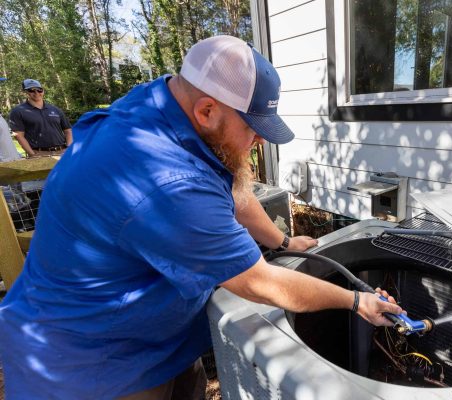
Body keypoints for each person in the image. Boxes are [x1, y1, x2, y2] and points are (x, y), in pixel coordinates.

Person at [0, 35, 402, 400]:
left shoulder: (162, 102)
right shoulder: (165, 181)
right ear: (208, 110)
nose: (259, 139)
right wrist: (356, 301)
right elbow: (259, 283)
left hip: (157, 336)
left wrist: (283, 242)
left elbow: (231, 186)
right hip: (93, 364)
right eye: (253, 127)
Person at [8, 78, 72, 158]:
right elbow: (18, 136)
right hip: (39, 154)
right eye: (31, 90)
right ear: (25, 92)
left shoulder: (55, 109)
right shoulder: (18, 111)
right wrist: (32, 154)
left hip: (62, 152)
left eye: (39, 90)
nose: (36, 93)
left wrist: (69, 148)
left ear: (43, 91)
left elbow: (68, 130)